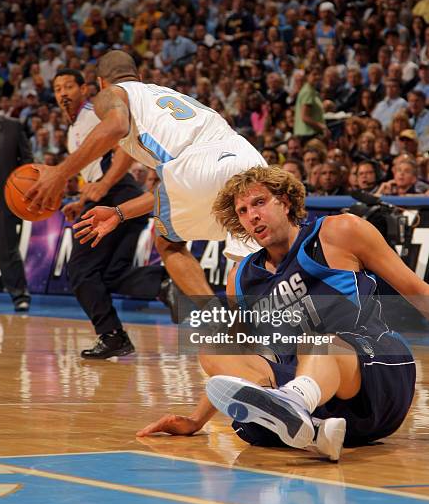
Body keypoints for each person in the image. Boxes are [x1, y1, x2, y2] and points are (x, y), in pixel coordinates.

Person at [137, 166, 422, 462]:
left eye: (259, 202)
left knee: (318, 342)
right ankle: (310, 429)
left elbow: (417, 290)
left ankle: (293, 406)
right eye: (243, 211)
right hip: (323, 404)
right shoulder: (241, 277)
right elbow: (239, 362)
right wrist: (196, 420)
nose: (252, 216)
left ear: (285, 202)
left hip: (377, 375)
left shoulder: (337, 232)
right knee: (214, 349)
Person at [26, 51, 266, 306]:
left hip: (196, 166)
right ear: (139, 77)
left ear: (101, 83)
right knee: (250, 264)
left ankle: (215, 319)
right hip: (246, 157)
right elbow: (173, 191)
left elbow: (117, 125)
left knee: (168, 244)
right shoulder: (165, 95)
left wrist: (59, 173)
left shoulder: (112, 94)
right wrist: (119, 213)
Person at [52, 68, 173, 359]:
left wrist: (105, 184)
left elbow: (127, 147)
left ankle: (111, 334)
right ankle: (165, 282)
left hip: (118, 197)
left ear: (85, 89)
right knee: (109, 274)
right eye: (57, 89)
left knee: (80, 271)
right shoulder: (74, 129)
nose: (63, 93)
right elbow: (95, 173)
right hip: (117, 197)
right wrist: (82, 201)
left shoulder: (96, 113)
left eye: (69, 86)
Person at [0, 87, 32, 311]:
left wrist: (24, 191)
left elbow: (27, 160)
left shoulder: (12, 127)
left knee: (7, 249)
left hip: (2, 197)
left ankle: (19, 295)